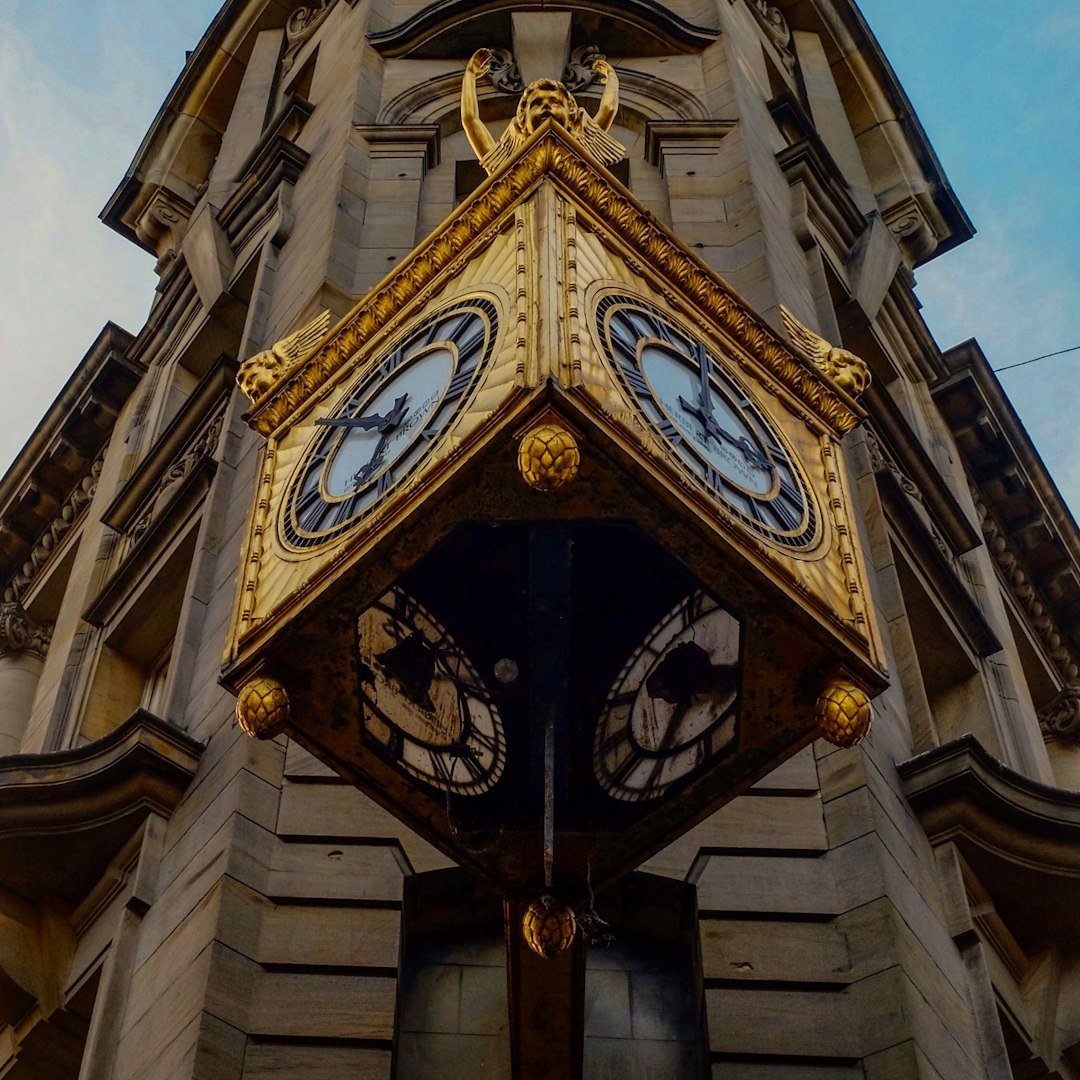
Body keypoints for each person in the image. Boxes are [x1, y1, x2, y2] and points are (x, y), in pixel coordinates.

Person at [461, 48, 624, 174]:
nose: (546, 107)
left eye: (555, 102)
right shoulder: (508, 165)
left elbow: (608, 109)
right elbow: (470, 120)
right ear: (523, 120)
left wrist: (612, 79)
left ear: (571, 115)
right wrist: (469, 76)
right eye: (536, 104)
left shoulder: (582, 151)